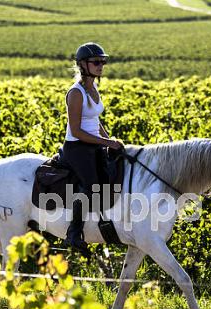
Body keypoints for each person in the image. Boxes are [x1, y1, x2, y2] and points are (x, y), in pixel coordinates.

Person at [62, 42, 124, 257]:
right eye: (96, 62)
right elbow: (77, 131)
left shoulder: (94, 88)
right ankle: (74, 232)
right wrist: (106, 143)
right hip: (77, 148)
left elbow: (96, 121)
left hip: (94, 144)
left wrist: (109, 139)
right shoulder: (76, 93)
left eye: (103, 62)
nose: (101, 66)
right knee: (91, 186)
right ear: (83, 65)